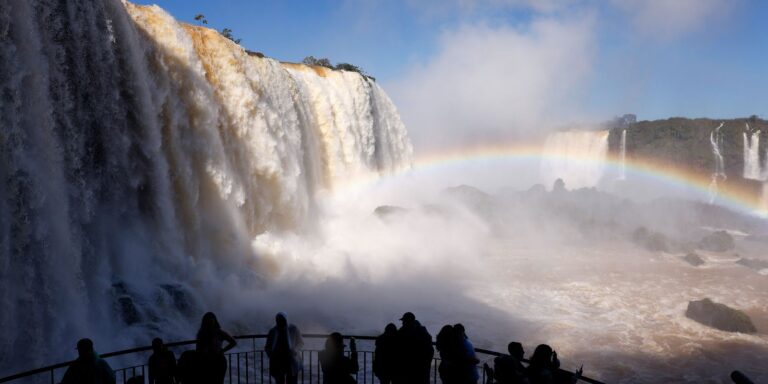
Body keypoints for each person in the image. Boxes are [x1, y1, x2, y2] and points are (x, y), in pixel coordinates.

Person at [196, 312, 237, 384]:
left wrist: (223, 350)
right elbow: (199, 348)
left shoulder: (217, 332)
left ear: (215, 321)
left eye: (211, 320)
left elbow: (233, 342)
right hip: (208, 361)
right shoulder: (203, 333)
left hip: (217, 361)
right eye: (208, 321)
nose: (210, 322)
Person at [395, 312, 434, 384]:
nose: (402, 323)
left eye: (404, 321)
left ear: (408, 321)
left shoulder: (405, 332)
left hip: (411, 369)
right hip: (420, 369)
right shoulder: (422, 332)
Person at [266, 312, 304, 384]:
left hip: (291, 359)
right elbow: (267, 347)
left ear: (286, 320)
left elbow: (300, 342)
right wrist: (270, 353)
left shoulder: (293, 329)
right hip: (278, 360)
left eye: (282, 320)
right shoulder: (273, 331)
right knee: (280, 381)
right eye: (278, 320)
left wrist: (295, 350)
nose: (280, 322)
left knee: (291, 381)